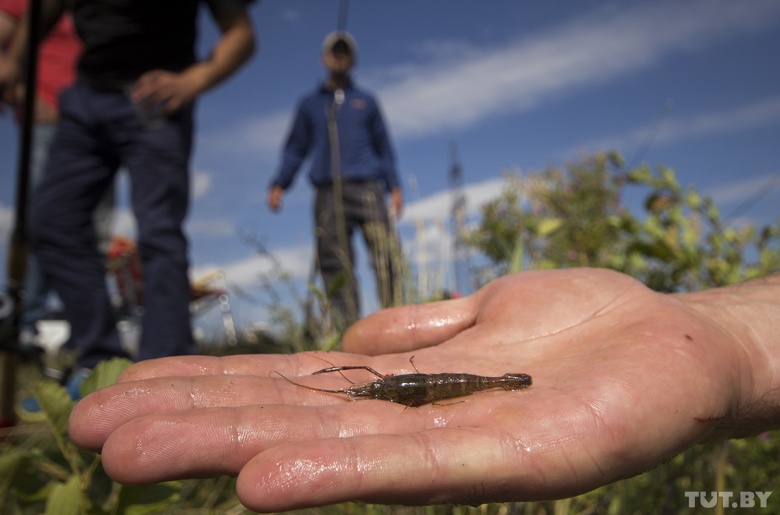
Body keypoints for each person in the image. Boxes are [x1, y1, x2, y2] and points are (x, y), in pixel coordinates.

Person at [68, 268, 780, 512]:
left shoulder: (436, 386)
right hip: (416, 384)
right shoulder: (388, 385)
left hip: (438, 383)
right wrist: (727, 328)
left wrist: (728, 332)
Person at [0, 0, 255, 386]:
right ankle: (100, 361)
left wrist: (192, 81)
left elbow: (241, 34)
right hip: (86, 98)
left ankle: (164, 372)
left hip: (156, 99)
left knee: (159, 230)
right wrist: (15, 63)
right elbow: (40, 12)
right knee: (51, 223)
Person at [267, 31, 403, 332]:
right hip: (328, 190)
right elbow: (295, 147)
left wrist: (394, 185)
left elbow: (384, 146)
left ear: (352, 59)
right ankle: (347, 331)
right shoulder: (309, 104)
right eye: (334, 52)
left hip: (367, 187)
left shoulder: (366, 101)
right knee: (334, 261)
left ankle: (397, 321)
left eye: (345, 52)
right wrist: (279, 183)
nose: (339, 57)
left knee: (386, 254)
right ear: (324, 58)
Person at [0, 0, 80, 354]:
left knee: (85, 225)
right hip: (48, 119)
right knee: (40, 218)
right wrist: (23, 92)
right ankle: (24, 324)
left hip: (95, 122)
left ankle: (82, 326)